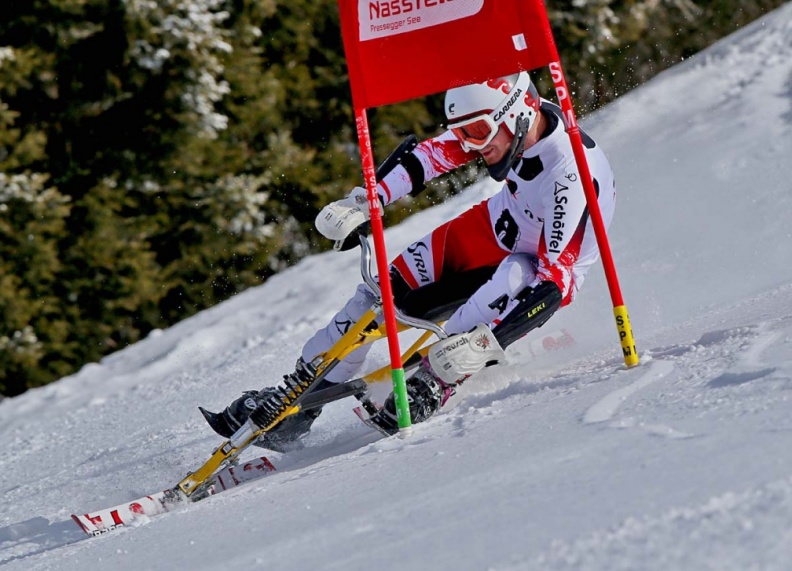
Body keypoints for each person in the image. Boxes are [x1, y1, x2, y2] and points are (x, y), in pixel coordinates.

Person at [204, 71, 616, 448]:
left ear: (519, 112)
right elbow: (431, 156)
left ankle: (435, 382)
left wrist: (492, 340)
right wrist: (369, 200)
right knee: (378, 294)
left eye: (476, 133)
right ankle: (298, 405)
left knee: (495, 296)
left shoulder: (569, 175)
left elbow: (554, 279)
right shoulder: (503, 126)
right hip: (492, 228)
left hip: (538, 266)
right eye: (463, 133)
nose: (471, 145)